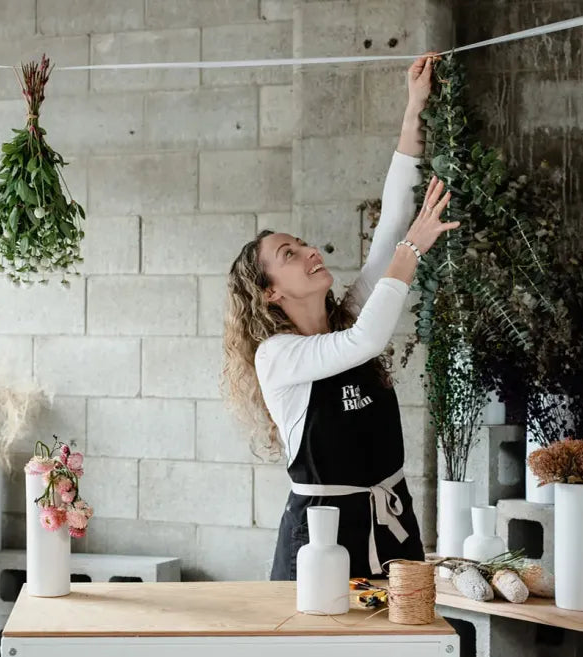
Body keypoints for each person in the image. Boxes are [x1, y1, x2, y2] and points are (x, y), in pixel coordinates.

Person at [222, 53, 458, 580]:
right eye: (289, 255)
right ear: (270, 294)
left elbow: (392, 222)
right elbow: (368, 340)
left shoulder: (344, 319)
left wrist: (413, 107)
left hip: (392, 528)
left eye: (303, 244)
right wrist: (412, 251)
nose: (309, 253)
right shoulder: (277, 356)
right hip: (319, 543)